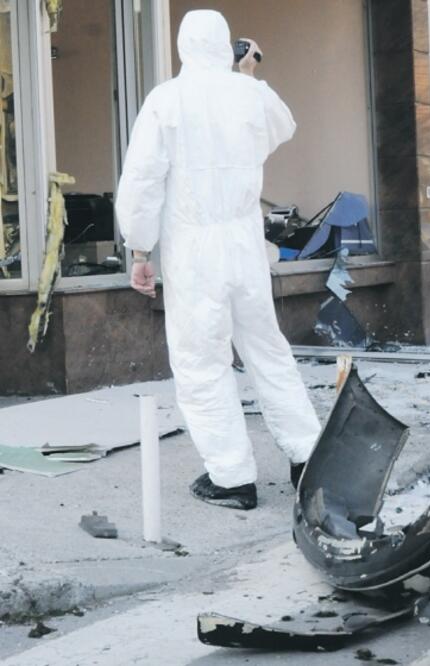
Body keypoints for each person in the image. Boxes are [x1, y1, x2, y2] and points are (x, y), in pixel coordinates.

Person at [115, 10, 320, 510]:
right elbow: (282, 127)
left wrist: (140, 249)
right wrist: (247, 76)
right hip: (244, 244)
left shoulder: (166, 100)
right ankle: (310, 455)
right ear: (228, 45)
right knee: (267, 349)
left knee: (202, 360)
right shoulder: (249, 94)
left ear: (184, 45)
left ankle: (231, 477)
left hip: (194, 249)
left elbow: (142, 181)